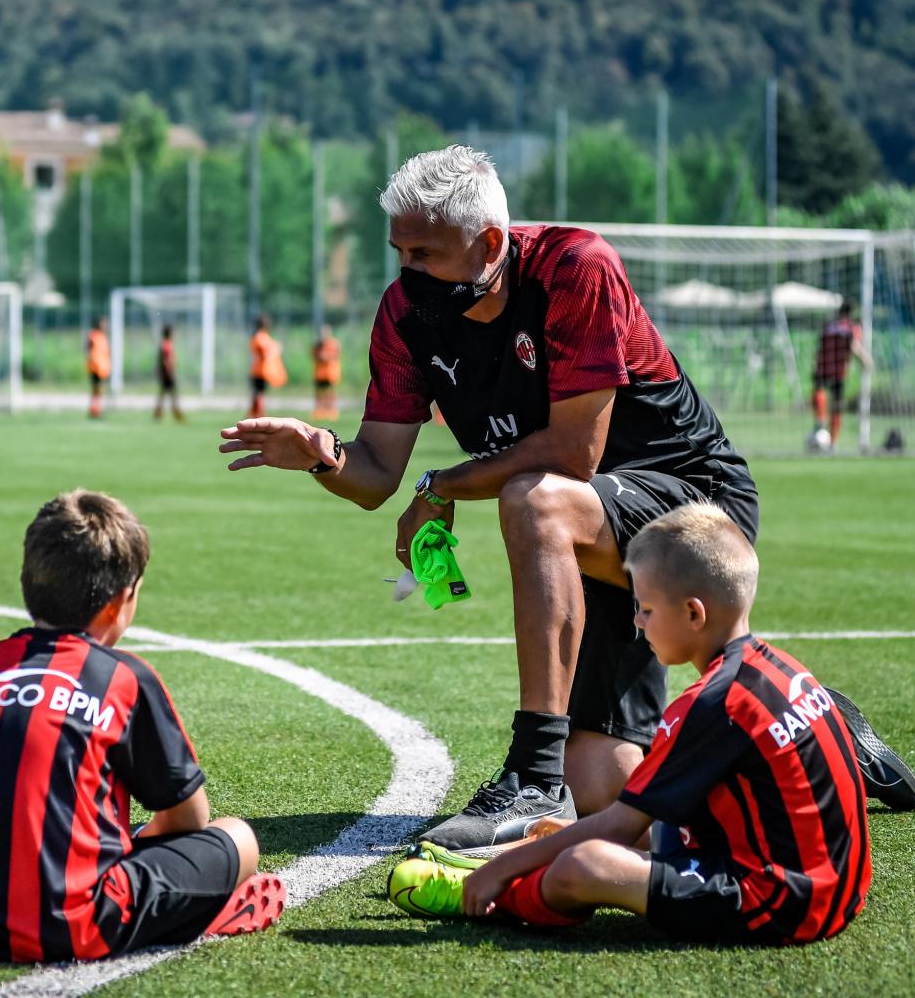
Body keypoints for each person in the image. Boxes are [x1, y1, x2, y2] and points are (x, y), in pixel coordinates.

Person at [221, 145, 762, 850]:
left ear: (489, 244)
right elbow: (377, 472)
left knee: (534, 498)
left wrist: (440, 486)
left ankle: (532, 771)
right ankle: (811, 723)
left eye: (424, 254)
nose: (406, 273)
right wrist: (323, 454)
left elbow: (573, 457)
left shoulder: (575, 267)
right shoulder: (405, 317)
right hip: (589, 538)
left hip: (697, 511)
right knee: (602, 788)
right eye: (399, 252)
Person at [389, 504, 870, 946]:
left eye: (645, 608)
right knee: (617, 835)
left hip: (783, 903)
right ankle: (520, 868)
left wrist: (508, 867)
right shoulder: (779, 669)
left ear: (693, 613)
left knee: (585, 863)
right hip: (835, 885)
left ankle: (491, 894)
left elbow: (621, 823)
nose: (638, 622)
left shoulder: (711, 704)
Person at [0, 490, 285, 962]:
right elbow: (188, 818)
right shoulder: (123, 676)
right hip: (75, 924)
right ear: (121, 602)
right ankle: (203, 916)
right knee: (239, 837)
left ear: (28, 580)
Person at [811, 300, 871, 449]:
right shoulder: (852, 328)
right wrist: (866, 360)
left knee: (819, 391)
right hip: (838, 371)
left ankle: (820, 419)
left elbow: (819, 345)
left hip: (822, 366)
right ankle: (833, 442)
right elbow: (854, 346)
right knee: (836, 406)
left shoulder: (829, 326)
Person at [248, 315, 287, 418]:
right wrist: (276, 349)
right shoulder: (260, 337)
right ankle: (259, 414)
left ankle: (254, 415)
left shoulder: (261, 336)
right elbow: (265, 353)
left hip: (261, 370)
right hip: (260, 370)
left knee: (258, 393)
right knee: (259, 394)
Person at [155, 323, 184, 421]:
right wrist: (169, 371)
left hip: (166, 373)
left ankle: (158, 413)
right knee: (173, 394)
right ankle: (177, 413)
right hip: (168, 373)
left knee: (164, 393)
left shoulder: (165, 343)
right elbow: (165, 360)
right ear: (169, 333)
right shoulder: (167, 345)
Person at [312, 324, 341, 421]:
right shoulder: (318, 345)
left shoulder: (333, 344)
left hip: (330, 372)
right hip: (320, 373)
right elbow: (314, 356)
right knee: (319, 392)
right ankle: (320, 411)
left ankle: (331, 411)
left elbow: (336, 356)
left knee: (329, 392)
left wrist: (325, 356)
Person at [87, 317, 111, 419]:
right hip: (95, 367)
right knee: (96, 389)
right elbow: (89, 349)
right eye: (103, 324)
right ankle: (95, 410)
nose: (105, 326)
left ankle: (96, 409)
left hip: (102, 368)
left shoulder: (103, 337)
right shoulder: (93, 335)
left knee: (99, 390)